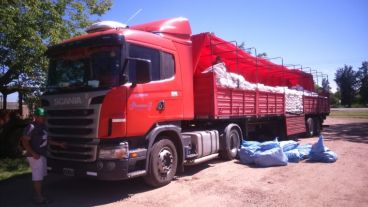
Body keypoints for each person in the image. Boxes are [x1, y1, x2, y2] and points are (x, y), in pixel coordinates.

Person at [21, 107, 65, 204]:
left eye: (44, 116)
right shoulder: (31, 127)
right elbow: (24, 141)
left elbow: (46, 140)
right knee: (38, 177)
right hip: (34, 156)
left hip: (42, 155)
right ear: (35, 116)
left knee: (41, 176)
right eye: (41, 116)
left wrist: (59, 144)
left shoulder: (43, 126)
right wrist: (33, 153)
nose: (43, 118)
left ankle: (38, 193)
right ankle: (39, 197)